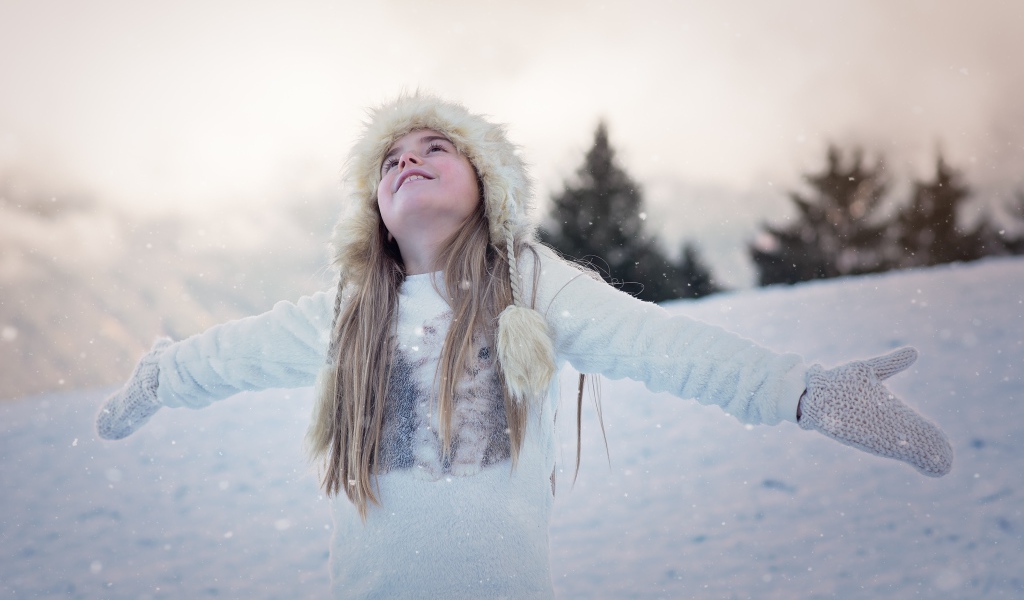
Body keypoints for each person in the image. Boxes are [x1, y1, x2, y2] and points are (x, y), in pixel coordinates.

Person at [96, 93, 953, 599]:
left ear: (487, 188)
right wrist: (162, 374)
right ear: (373, 207)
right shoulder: (349, 314)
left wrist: (801, 390)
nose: (410, 159)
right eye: (391, 157)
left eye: (437, 148)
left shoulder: (532, 285)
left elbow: (660, 345)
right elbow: (232, 354)